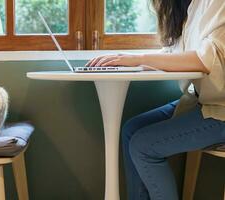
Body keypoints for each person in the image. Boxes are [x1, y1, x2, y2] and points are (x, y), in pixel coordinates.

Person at [86, 0, 225, 199]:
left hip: (220, 112)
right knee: (130, 130)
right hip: (202, 104)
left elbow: (206, 59)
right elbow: (175, 54)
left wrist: (140, 59)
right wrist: (124, 62)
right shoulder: (191, 7)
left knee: (143, 146)